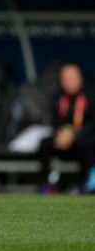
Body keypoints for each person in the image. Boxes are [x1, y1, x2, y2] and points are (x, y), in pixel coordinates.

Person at [38, 63, 95, 194]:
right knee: (44, 144)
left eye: (73, 78)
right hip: (63, 140)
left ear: (80, 78)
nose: (70, 82)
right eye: (66, 79)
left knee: (88, 145)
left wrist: (75, 135)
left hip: (83, 140)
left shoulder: (90, 96)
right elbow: (54, 120)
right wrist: (63, 134)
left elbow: (92, 125)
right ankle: (46, 184)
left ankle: (84, 185)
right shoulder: (57, 97)